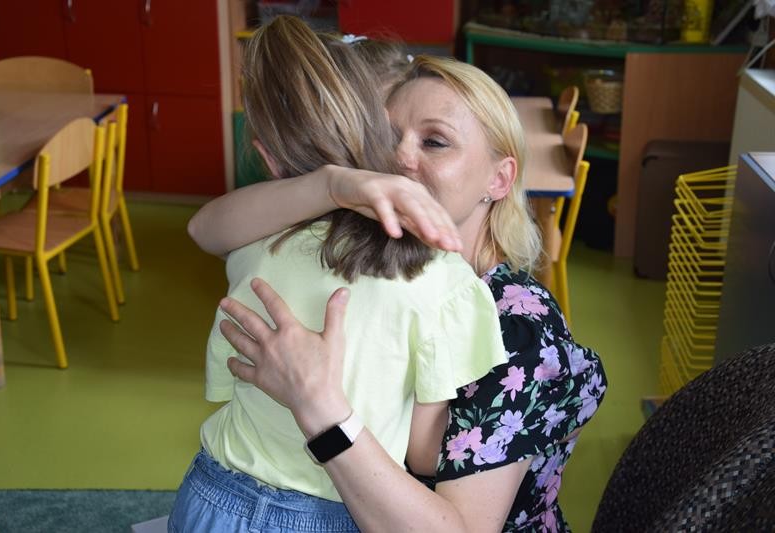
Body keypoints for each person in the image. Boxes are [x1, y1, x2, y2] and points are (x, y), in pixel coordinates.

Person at [192, 52, 608, 532]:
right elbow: (206, 230)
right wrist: (331, 184)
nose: (400, 158)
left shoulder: (516, 327)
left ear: (498, 179)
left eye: (434, 142)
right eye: (388, 137)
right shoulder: (374, 254)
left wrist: (319, 406)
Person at [169, 17, 509, 532]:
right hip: (331, 512)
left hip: (213, 494)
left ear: (267, 159)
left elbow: (203, 227)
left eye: (433, 141)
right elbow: (424, 453)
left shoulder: (254, 237)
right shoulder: (447, 281)